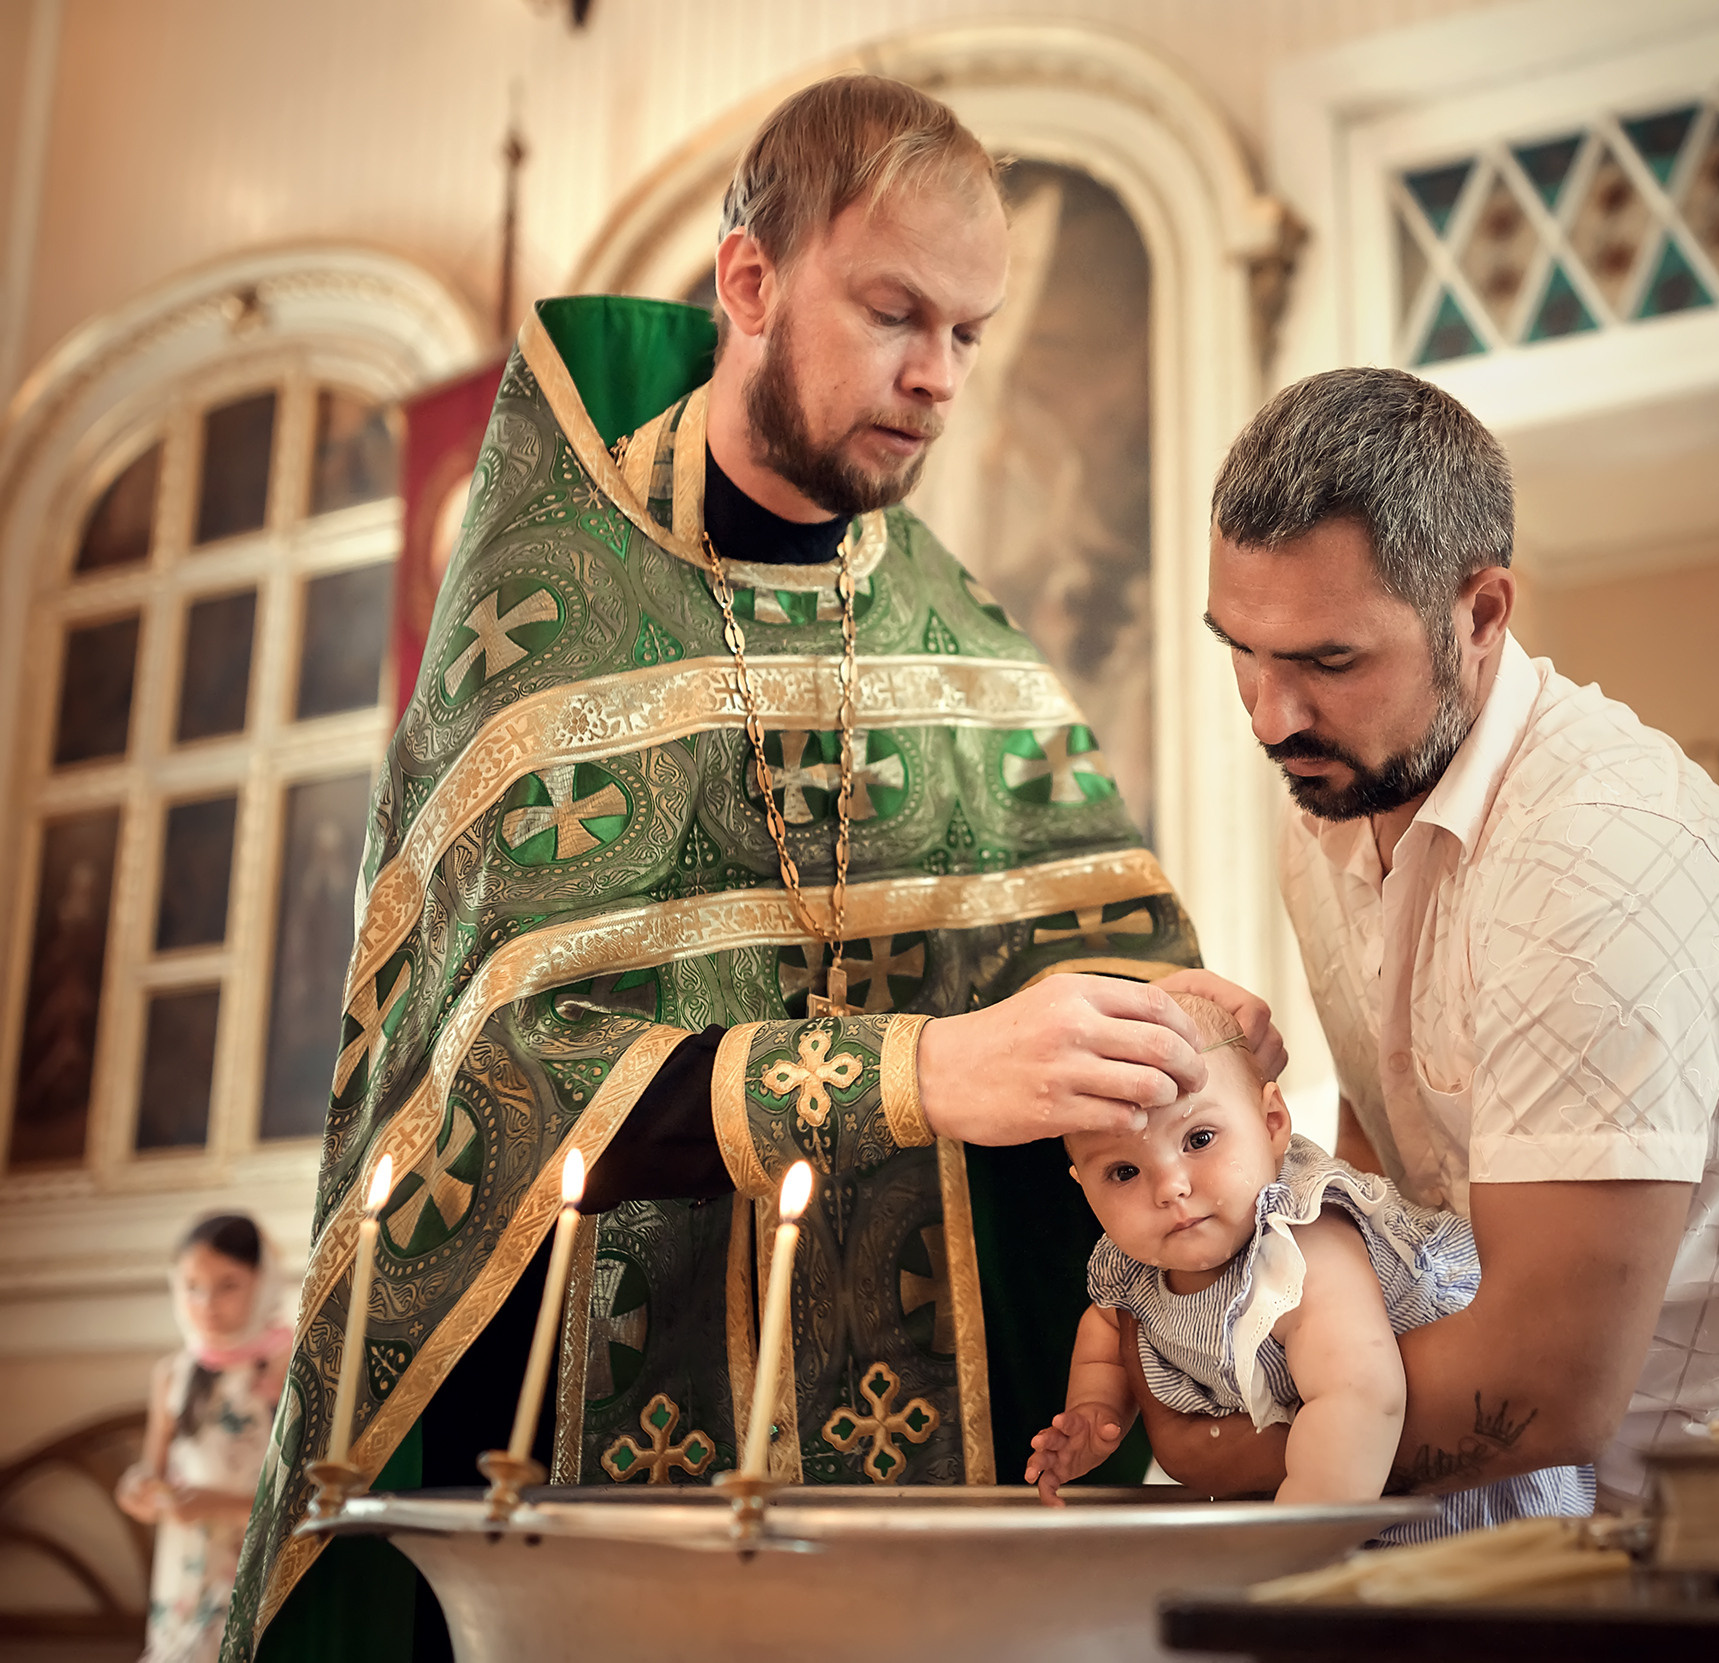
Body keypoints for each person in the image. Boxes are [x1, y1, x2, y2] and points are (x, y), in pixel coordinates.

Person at [228, 75, 1276, 1661]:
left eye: (971, 335)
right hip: (599, 1458)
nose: (936, 379)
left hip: (930, 1469)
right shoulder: (549, 601)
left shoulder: (950, 628)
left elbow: (1092, 960)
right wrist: (917, 1068)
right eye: (893, 312)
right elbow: (498, 1082)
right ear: (749, 284)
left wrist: (1170, 1022)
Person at [1149, 367, 1719, 1514]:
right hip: (1626, 1510)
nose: (1269, 715)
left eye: (1327, 661)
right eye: (1242, 650)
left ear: (1482, 612)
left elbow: (1546, 1383)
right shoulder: (1331, 802)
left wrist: (1218, 1447)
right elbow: (1389, 1165)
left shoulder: (1596, 853)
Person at [1028, 992, 1592, 1541]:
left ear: (1272, 1123)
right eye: (1123, 1173)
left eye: (1199, 1139)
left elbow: (1361, 1395)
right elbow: (1105, 1329)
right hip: (1337, 1480)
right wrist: (1094, 1411)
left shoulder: (1300, 1240)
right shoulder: (1133, 1265)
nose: (1170, 1187)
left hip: (1466, 1505)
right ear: (1084, 1188)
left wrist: (1290, 1547)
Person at [120, 1215, 291, 1663]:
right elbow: (150, 1471)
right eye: (192, 1286)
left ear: (264, 1280)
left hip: (258, 1559)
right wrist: (137, 1488)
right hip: (185, 1571)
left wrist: (218, 1504)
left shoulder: (288, 1365)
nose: (207, 1303)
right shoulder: (173, 1375)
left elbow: (305, 1492)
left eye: (228, 1285)